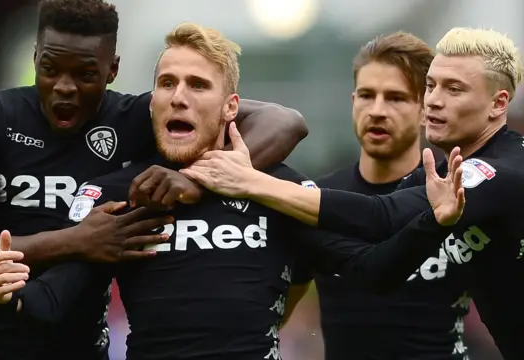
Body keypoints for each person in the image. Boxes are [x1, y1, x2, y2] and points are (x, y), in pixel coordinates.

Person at [0, 22, 467, 360]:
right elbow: (56, 298)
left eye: (198, 84)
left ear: (231, 106)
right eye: (167, 83)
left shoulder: (275, 189)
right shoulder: (119, 191)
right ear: (151, 103)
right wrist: (11, 293)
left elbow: (371, 271)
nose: (179, 95)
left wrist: (433, 221)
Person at [0, 1, 308, 359]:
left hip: (81, 347)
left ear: (111, 70)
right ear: (35, 58)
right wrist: (75, 241)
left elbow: (285, 121)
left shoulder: (137, 118)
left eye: (85, 74)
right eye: (50, 69)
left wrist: (201, 181)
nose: (65, 86)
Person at [181, 27, 524, 360]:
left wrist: (249, 180)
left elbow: (381, 216)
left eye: (454, 89)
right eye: (432, 86)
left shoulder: (501, 171)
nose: (435, 100)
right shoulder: (436, 182)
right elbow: (376, 273)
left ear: (498, 104)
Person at [284, 32, 470, 360]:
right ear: (353, 101)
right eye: (367, 96)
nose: (377, 110)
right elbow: (279, 311)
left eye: (395, 98)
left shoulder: (457, 192)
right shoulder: (317, 198)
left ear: (425, 110)